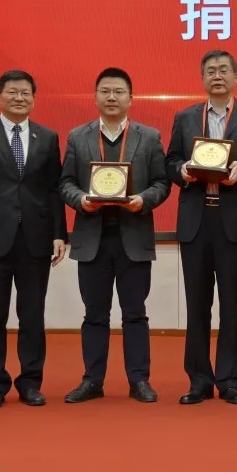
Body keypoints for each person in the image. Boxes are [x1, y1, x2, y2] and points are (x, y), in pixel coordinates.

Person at [166, 50, 237, 405]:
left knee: (232, 305)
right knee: (197, 305)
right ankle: (199, 380)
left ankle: (229, 380)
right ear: (202, 79)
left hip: (234, 221)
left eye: (223, 70)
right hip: (196, 221)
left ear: (235, 77)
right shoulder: (185, 118)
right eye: (210, 70)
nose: (217, 75)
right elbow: (170, 161)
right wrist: (181, 170)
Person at [58, 67, 172, 404]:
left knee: (135, 313)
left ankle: (139, 380)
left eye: (118, 91)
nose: (112, 97)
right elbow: (65, 182)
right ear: (95, 97)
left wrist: (143, 200)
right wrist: (80, 200)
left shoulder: (148, 137)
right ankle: (92, 380)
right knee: (94, 315)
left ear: (130, 99)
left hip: (133, 237)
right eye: (105, 91)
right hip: (92, 239)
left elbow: (162, 183)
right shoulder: (78, 137)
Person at [0, 69, 67, 410]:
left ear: (33, 98)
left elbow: (53, 190)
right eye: (12, 92)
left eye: (26, 93)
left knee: (32, 315)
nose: (19, 98)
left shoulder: (46, 137)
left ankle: (31, 383)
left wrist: (59, 234)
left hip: (35, 239)